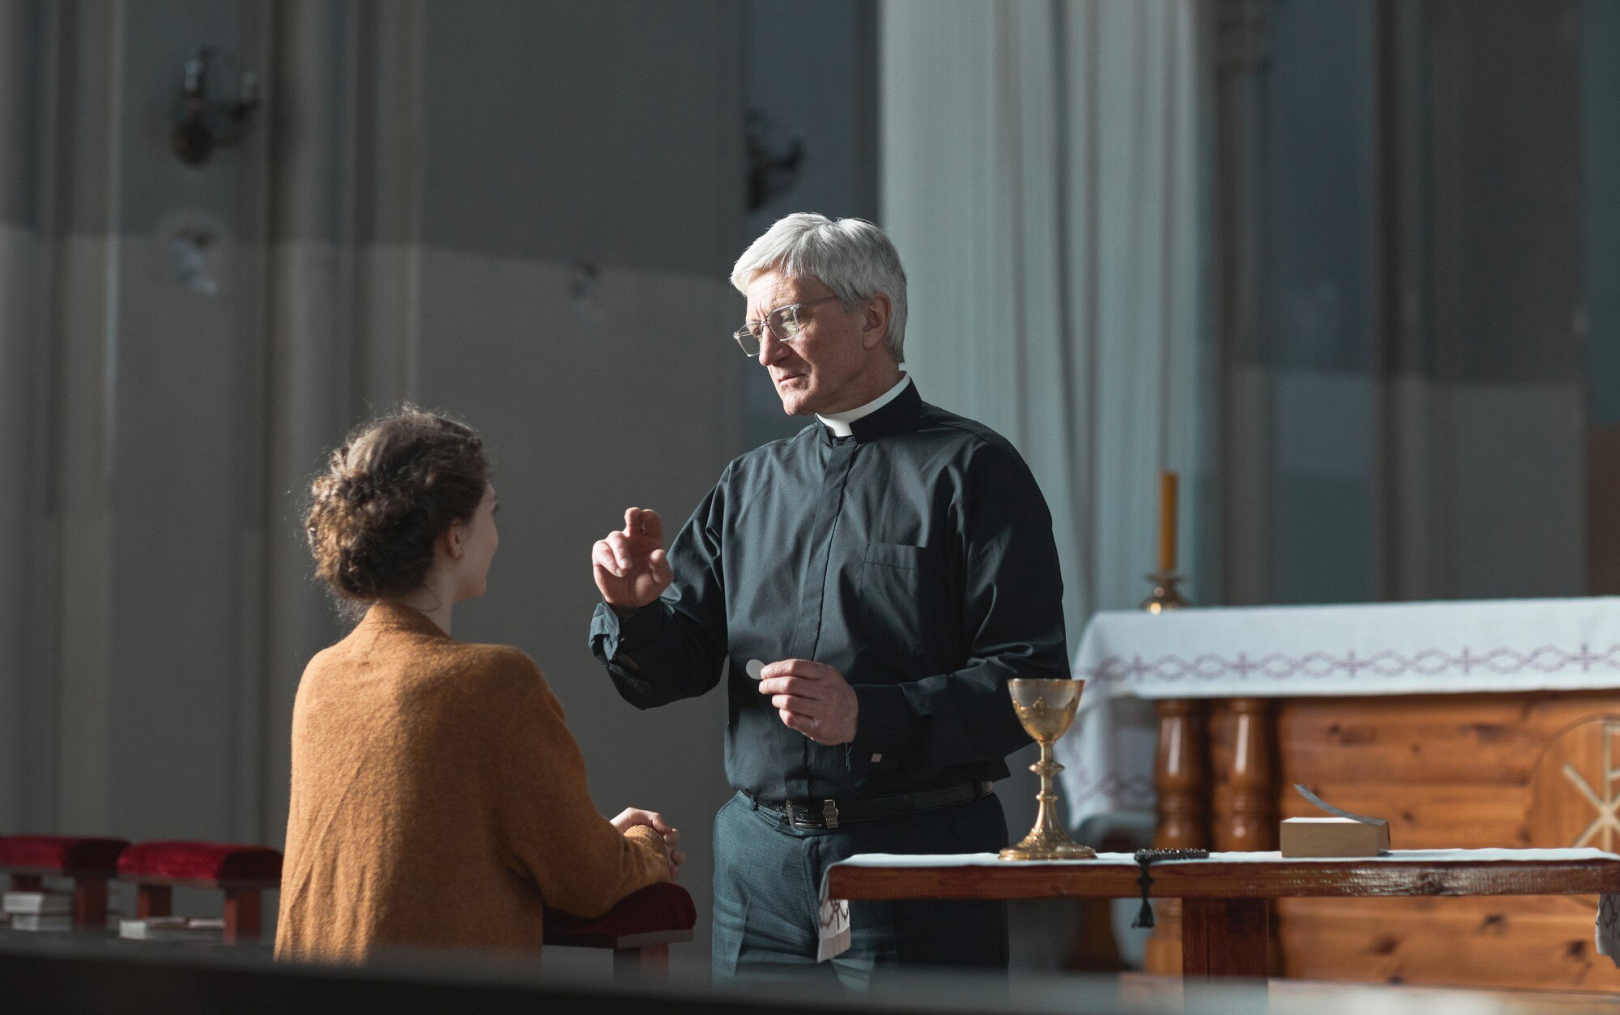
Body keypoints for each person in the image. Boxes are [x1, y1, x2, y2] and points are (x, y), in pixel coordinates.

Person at [588, 213, 1068, 984]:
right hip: (759, 867)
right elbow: (671, 674)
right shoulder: (747, 486)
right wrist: (637, 610)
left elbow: (1029, 679)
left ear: (873, 316)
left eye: (788, 319)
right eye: (755, 332)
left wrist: (869, 716)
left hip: (916, 857)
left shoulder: (974, 471)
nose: (769, 353)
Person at [277, 407, 681, 964]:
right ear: (455, 537)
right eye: (491, 511)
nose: (496, 531)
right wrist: (645, 846)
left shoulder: (322, 675)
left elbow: (423, 851)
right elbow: (589, 881)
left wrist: (584, 835)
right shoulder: (493, 682)